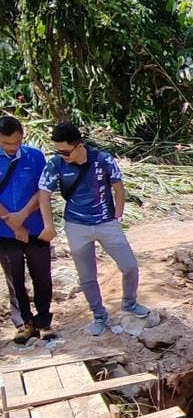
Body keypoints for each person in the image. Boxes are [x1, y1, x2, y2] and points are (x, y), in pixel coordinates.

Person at [38, 122, 149, 335]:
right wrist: (49, 225)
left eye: (66, 151)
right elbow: (44, 195)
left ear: (79, 146)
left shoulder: (103, 159)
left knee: (130, 266)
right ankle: (99, 315)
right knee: (87, 276)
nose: (63, 156)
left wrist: (117, 215)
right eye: (58, 151)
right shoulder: (55, 165)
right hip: (76, 226)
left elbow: (118, 188)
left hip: (107, 223)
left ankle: (129, 303)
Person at [0, 115, 53, 343]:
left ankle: (43, 320)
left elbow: (43, 190)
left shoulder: (35, 156)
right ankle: (24, 323)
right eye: (7, 144)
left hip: (35, 227)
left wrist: (22, 217)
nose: (13, 148)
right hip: (4, 230)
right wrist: (12, 222)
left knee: (42, 275)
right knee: (14, 277)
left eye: (17, 142)